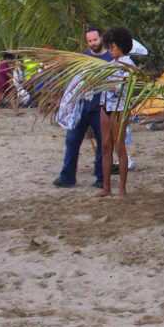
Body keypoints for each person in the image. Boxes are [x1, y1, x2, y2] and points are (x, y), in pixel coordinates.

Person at [54, 27, 113, 189]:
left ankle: (101, 178)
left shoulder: (111, 58)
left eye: (95, 40)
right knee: (72, 141)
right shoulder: (82, 57)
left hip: (102, 108)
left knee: (104, 143)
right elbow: (73, 82)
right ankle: (67, 177)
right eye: (89, 41)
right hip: (81, 107)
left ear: (101, 38)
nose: (93, 43)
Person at [96, 26, 135, 199]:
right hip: (106, 106)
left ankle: (122, 189)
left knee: (120, 148)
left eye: (113, 47)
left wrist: (100, 83)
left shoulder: (128, 64)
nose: (111, 50)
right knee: (105, 147)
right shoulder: (111, 64)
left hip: (119, 108)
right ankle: (106, 187)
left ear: (121, 45)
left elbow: (117, 88)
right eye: (109, 46)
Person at [0, 52, 18, 118]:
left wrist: (12, 65)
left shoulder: (0, 64)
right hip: (2, 83)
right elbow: (10, 75)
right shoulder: (4, 65)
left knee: (10, 97)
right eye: (11, 59)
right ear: (8, 59)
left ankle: (16, 111)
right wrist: (13, 66)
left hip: (3, 83)